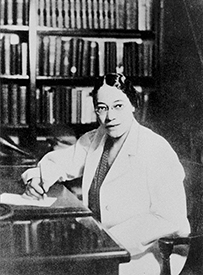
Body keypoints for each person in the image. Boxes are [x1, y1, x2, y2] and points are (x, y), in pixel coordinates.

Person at [21, 73, 190, 275]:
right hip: (99, 246)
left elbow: (170, 217)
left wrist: (109, 240)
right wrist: (40, 177)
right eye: (102, 108)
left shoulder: (156, 148)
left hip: (146, 254)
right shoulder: (96, 138)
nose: (110, 116)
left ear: (133, 105)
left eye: (118, 106)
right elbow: (63, 162)